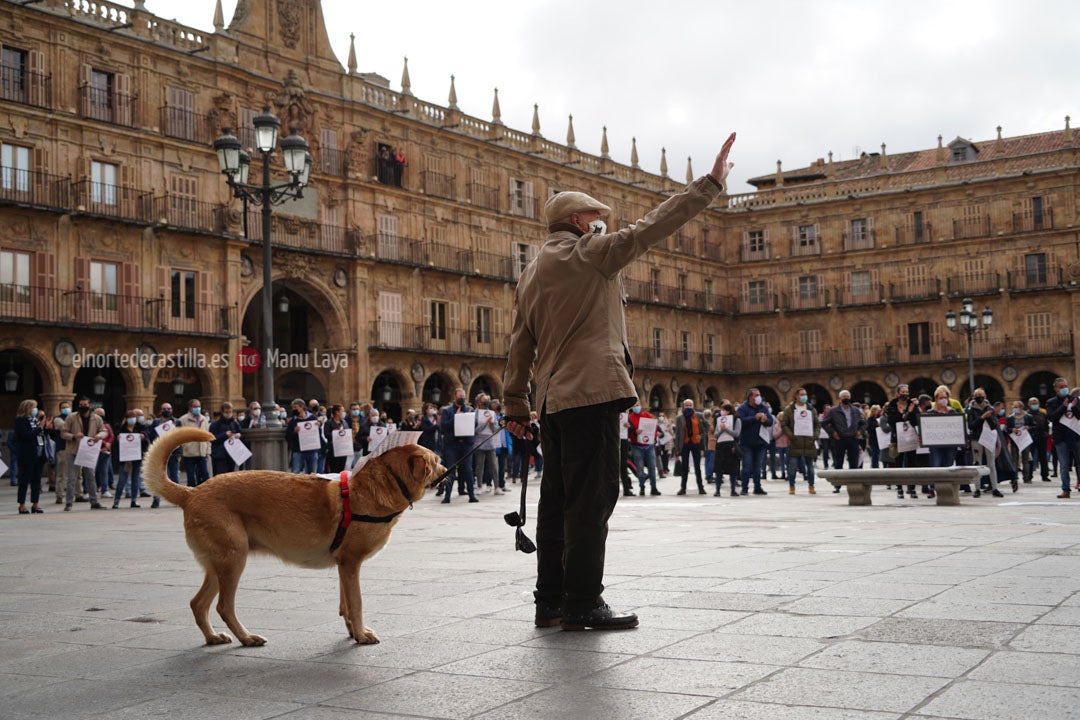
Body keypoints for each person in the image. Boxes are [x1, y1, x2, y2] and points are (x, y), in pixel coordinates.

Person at [503, 132, 735, 632]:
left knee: (556, 501)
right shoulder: (591, 253)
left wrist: (516, 409)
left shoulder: (531, 272)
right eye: (594, 216)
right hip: (591, 394)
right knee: (593, 498)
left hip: (553, 404)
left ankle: (550, 601)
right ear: (577, 222)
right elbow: (651, 228)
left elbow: (520, 346)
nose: (600, 222)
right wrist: (709, 184)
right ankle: (584, 601)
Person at [59, 395, 107, 510]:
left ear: (89, 405)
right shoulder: (71, 417)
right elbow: (63, 433)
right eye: (81, 405)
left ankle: (94, 502)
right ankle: (69, 503)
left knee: (90, 476)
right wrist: (74, 436)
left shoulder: (96, 418)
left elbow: (104, 430)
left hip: (88, 451)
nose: (83, 407)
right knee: (72, 477)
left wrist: (99, 436)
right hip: (73, 451)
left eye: (85, 405)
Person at [439, 388, 478, 503]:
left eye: (463, 396)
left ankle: (472, 495)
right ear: (455, 397)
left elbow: (474, 424)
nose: (462, 398)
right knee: (451, 470)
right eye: (460, 396)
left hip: (466, 444)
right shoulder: (447, 411)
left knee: (468, 470)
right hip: (452, 445)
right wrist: (456, 417)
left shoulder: (470, 410)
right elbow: (443, 427)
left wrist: (468, 417)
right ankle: (447, 496)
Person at [1045, 377, 1080, 499]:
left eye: (1065, 386)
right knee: (1064, 465)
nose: (1064, 389)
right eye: (1061, 387)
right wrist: (1063, 407)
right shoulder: (1051, 402)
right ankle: (1066, 490)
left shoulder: (1075, 399)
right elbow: (1051, 417)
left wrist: (1074, 407)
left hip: (1075, 435)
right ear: (1055, 389)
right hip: (1060, 438)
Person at [780, 389, 819, 494]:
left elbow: (817, 424)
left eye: (805, 394)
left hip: (809, 442)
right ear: (796, 396)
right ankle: (792, 486)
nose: (804, 396)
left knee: (810, 467)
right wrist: (791, 436)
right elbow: (784, 424)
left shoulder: (811, 409)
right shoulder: (789, 409)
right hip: (795, 442)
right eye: (802, 394)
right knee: (792, 467)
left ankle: (811, 486)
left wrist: (814, 437)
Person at [737, 387, 773, 495]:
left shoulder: (763, 407)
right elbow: (740, 421)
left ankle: (757, 487)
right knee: (747, 466)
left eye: (759, 395)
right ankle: (744, 488)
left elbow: (771, 421)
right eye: (756, 395)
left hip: (760, 442)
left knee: (758, 467)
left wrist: (765, 420)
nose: (758, 397)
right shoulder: (743, 408)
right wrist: (754, 418)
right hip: (747, 442)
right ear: (750, 397)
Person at [13, 399, 46, 514]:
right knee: (24, 480)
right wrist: (39, 427)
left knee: (36, 481)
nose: (35, 410)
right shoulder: (20, 420)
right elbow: (26, 436)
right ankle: (22, 505)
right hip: (27, 455)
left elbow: (40, 436)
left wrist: (42, 427)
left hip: (38, 454)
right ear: (27, 408)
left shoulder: (35, 421)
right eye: (33, 408)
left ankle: (35, 504)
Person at [822, 389, 866, 474]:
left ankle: (853, 482)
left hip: (853, 438)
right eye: (844, 397)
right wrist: (833, 433)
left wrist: (860, 431)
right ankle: (838, 484)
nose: (846, 398)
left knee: (854, 462)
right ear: (840, 398)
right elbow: (824, 423)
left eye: (848, 397)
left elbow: (863, 423)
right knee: (838, 462)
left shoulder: (856, 410)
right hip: (840, 439)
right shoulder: (833, 411)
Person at [113, 410, 146, 509]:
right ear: (126, 419)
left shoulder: (140, 428)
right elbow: (114, 445)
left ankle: (134, 500)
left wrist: (143, 438)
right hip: (125, 458)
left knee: (135, 480)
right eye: (130, 417)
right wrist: (117, 439)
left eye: (133, 417)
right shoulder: (121, 429)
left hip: (136, 457)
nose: (132, 419)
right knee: (122, 480)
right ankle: (116, 501)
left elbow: (146, 442)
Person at [674, 399, 708, 495]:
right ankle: (683, 488)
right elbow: (677, 434)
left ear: (693, 406)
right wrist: (677, 448)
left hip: (696, 443)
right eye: (686, 405)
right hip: (684, 443)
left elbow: (707, 426)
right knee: (684, 467)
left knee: (697, 467)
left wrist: (702, 435)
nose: (688, 407)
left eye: (690, 405)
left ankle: (701, 487)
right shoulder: (679, 418)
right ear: (683, 407)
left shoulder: (699, 415)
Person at [627, 401, 660, 496]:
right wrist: (633, 431)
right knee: (640, 468)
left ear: (641, 406)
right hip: (636, 446)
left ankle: (654, 487)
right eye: (634, 406)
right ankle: (642, 487)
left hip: (649, 446)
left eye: (637, 405)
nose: (636, 407)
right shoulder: (629, 418)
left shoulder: (647, 415)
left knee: (652, 467)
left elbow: (655, 428)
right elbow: (628, 433)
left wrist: (654, 438)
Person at [177, 398, 211, 486]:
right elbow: (180, 436)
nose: (197, 408)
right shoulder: (183, 420)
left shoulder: (204, 419)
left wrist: (207, 451)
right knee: (191, 477)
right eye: (195, 406)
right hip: (189, 453)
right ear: (190, 407)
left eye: (199, 406)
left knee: (205, 476)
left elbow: (208, 436)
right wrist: (185, 447)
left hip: (201, 452)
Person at [713, 401, 741, 496]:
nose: (722, 412)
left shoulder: (736, 419)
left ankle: (733, 489)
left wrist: (727, 430)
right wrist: (721, 430)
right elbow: (716, 434)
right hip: (720, 445)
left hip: (731, 445)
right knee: (718, 468)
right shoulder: (719, 419)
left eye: (724, 410)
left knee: (733, 468)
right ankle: (717, 490)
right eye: (722, 410)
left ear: (729, 411)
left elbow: (737, 433)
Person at [285, 398, 319, 474]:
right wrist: (294, 432)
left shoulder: (313, 418)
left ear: (302, 407)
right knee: (296, 472)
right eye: (293, 408)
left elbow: (318, 434)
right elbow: (287, 436)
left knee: (312, 473)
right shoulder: (293, 422)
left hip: (312, 450)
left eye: (295, 407)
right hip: (298, 451)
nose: (294, 409)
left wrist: (318, 426)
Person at [209, 402, 242, 477]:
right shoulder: (215, 424)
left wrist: (238, 435)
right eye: (226, 412)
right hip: (220, 455)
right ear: (222, 412)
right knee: (221, 476)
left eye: (230, 412)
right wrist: (224, 435)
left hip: (232, 454)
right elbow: (212, 439)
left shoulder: (234, 423)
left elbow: (240, 432)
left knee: (231, 475)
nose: (228, 414)